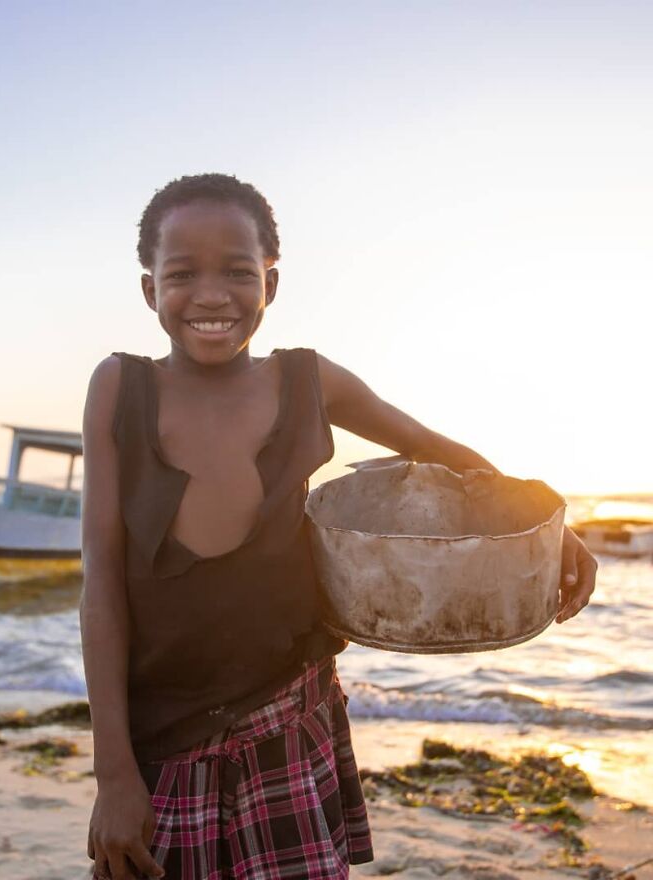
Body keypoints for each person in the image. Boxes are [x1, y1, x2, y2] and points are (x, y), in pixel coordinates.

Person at [80, 173, 597, 880]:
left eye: (237, 272)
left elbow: (437, 451)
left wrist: (547, 527)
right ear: (149, 291)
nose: (210, 295)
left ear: (271, 282)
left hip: (287, 723)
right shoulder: (119, 389)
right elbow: (101, 583)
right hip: (162, 741)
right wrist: (114, 775)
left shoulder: (307, 382)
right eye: (182, 274)